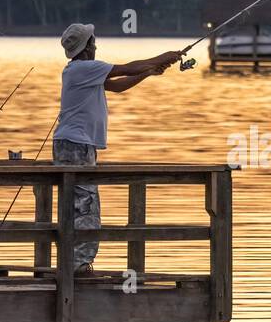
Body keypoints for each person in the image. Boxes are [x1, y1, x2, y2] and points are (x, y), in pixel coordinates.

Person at [54, 23, 181, 276]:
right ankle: (77, 266)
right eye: (93, 41)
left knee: (79, 205)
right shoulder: (84, 68)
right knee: (86, 207)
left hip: (78, 145)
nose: (96, 45)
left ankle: (75, 264)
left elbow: (120, 84)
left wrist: (150, 71)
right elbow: (127, 68)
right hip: (76, 146)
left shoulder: (83, 72)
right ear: (87, 46)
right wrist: (165, 57)